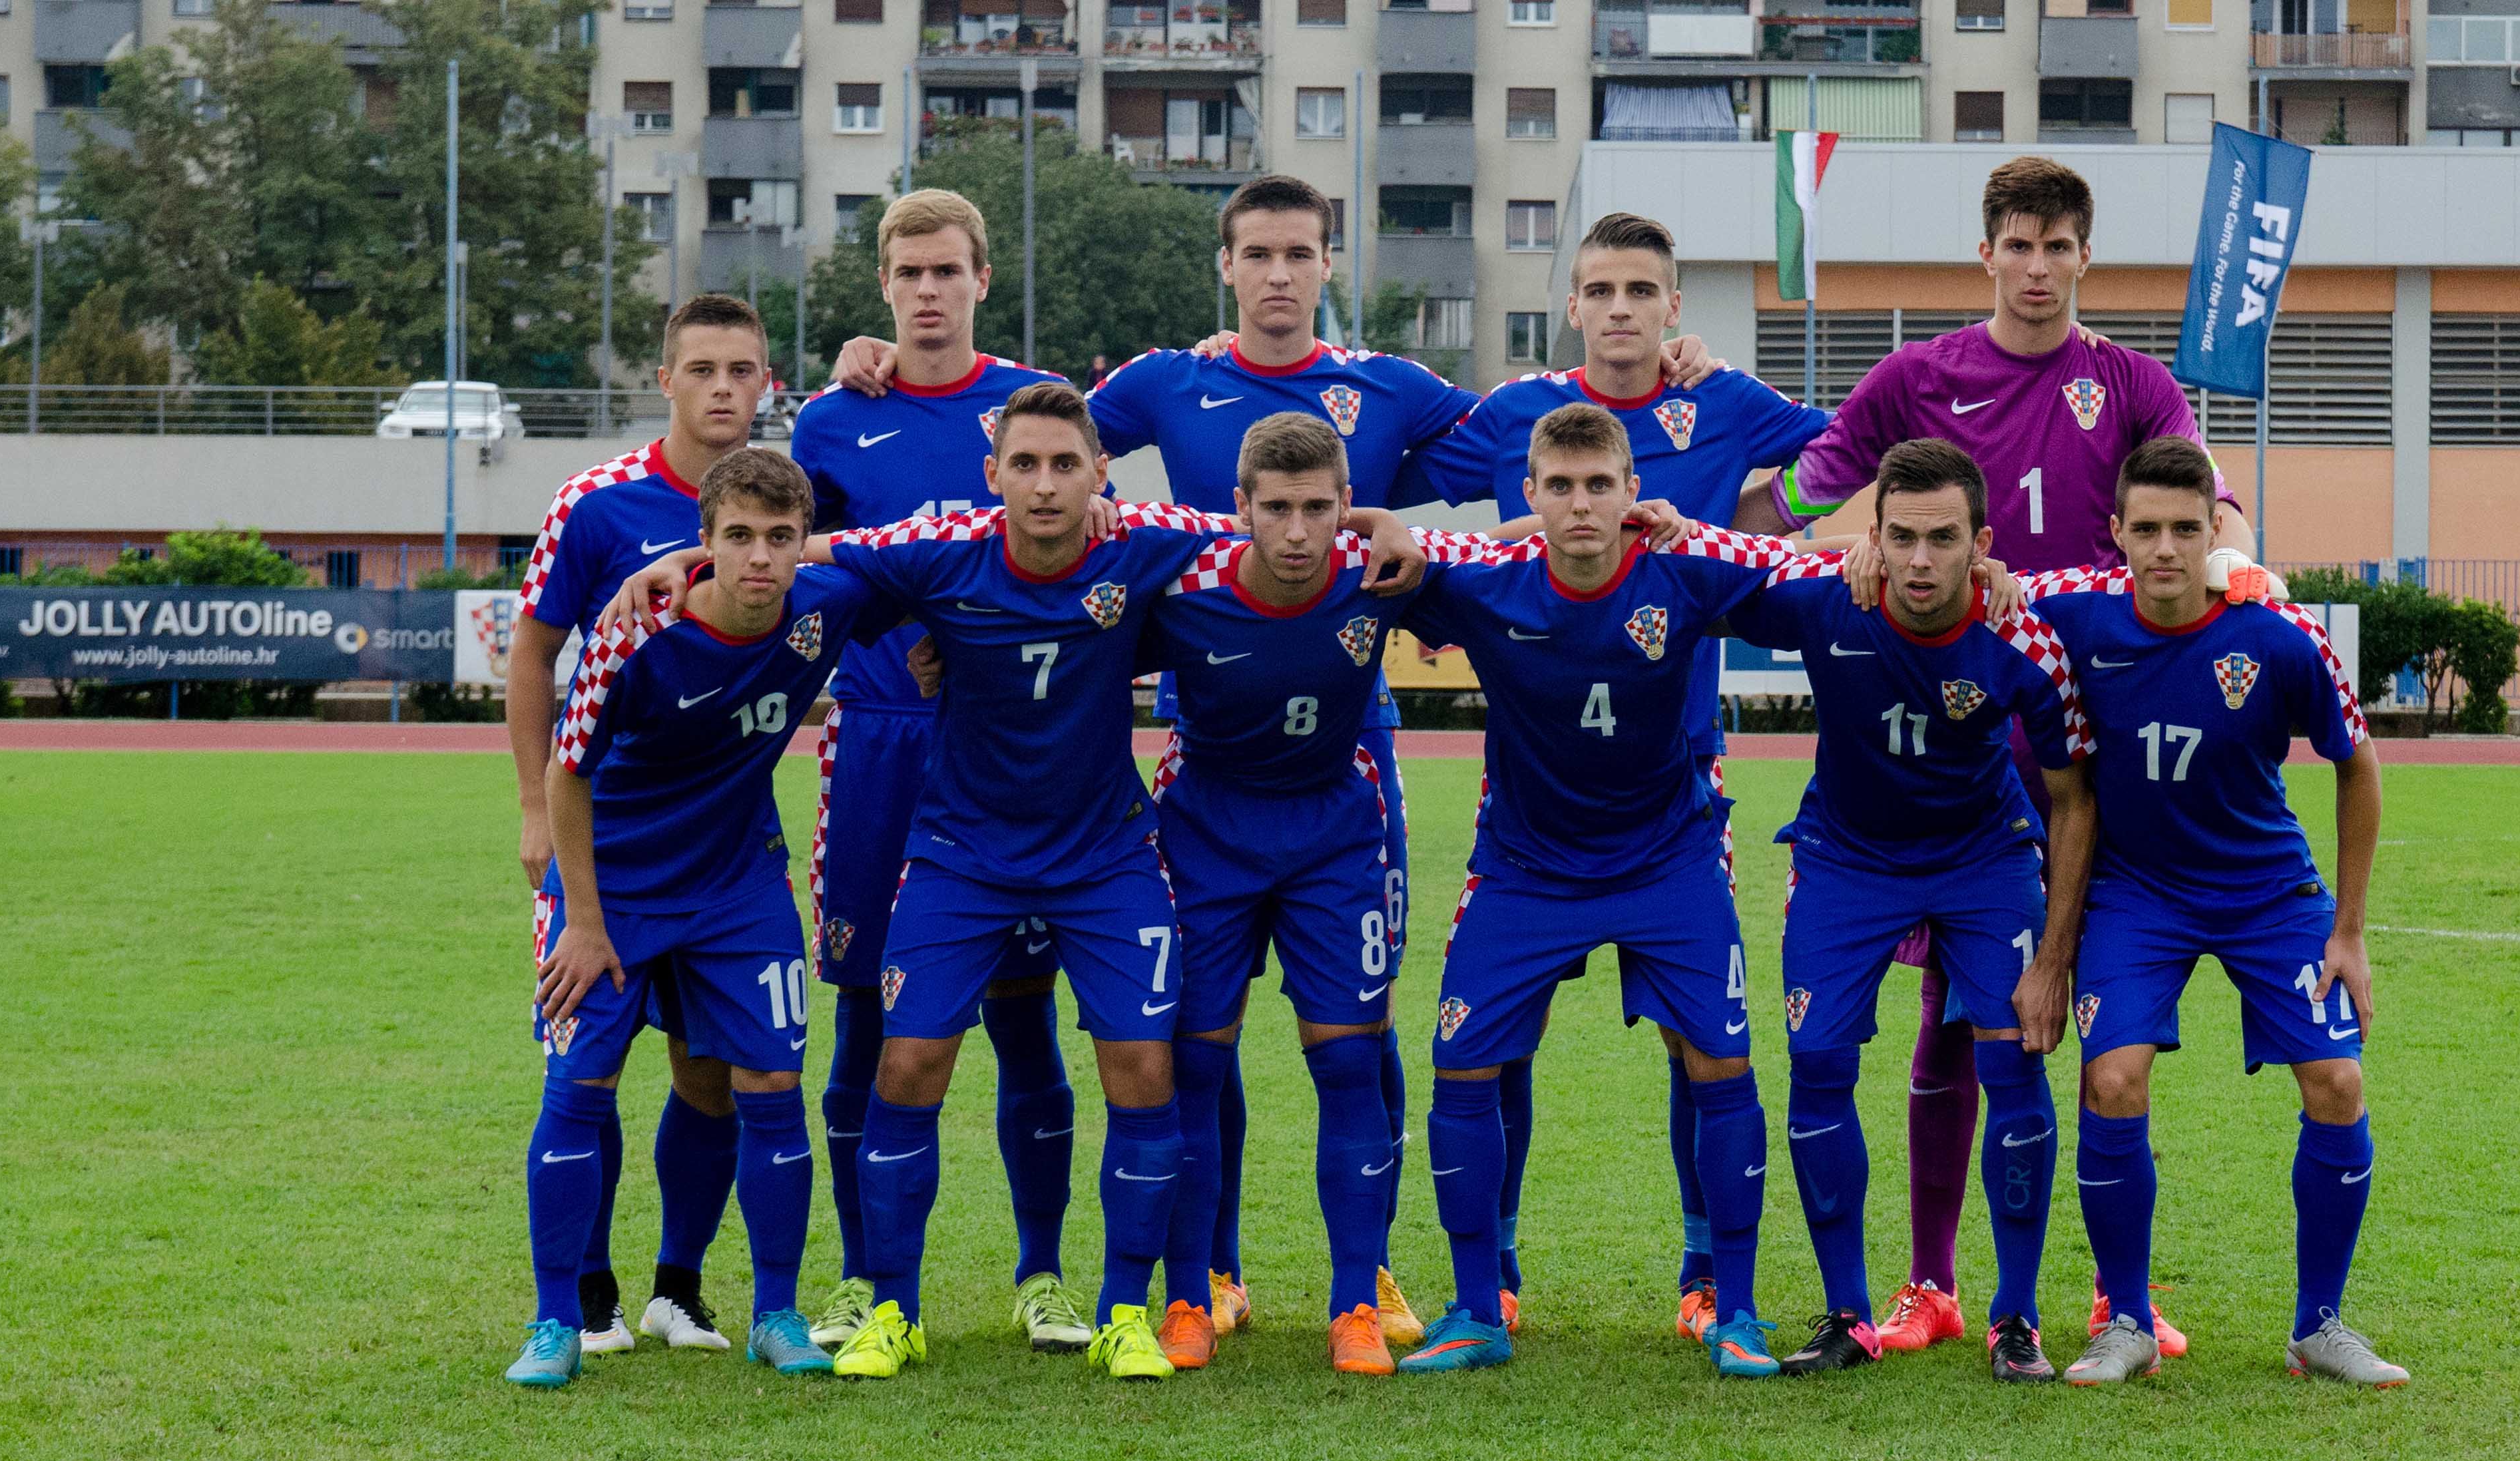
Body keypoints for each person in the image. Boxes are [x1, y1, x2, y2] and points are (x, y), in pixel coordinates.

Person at [830, 173, 1722, 1341]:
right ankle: (1212, 1274)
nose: (1279, 274)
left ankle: (1373, 1273)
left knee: (1360, 1024)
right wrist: (887, 362)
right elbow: (1046, 441)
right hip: (1206, 746)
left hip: (1353, 750)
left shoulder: (1392, 387)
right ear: (1228, 267)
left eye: (1300, 253)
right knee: (1195, 1036)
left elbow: (1544, 452)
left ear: (1327, 263)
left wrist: (1662, 367)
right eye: (1258, 254)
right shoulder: (1166, 382)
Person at [606, 383, 1423, 1381]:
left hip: (1105, 855)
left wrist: (1378, 521)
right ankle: (895, 1312)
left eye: (1065, 465)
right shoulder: (942, 546)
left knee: (1146, 1070)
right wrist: (687, 562)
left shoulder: (1148, 543)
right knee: (908, 1064)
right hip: (963, 853)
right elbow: (809, 552)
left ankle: (1127, 1312)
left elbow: (1269, 522)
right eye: (1025, 465)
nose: (1044, 485)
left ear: (1100, 476)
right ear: (991, 475)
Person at [1743, 156, 2260, 1358]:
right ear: (1985, 254)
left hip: (2091, 728)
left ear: (2086, 256)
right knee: (1953, 1015)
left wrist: (2242, 561)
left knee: (2100, 1010)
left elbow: (2209, 499)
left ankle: (2113, 1290)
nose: (2036, 267)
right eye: (2017, 245)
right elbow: (1793, 502)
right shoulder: (1917, 377)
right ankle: (1931, 1285)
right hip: (1958, 736)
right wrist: (1684, 517)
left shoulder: (2130, 384)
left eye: (2057, 246)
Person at [1396, 210, 1832, 1340]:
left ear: (1673, 306)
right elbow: (1384, 476)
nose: (1623, 308)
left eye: (1643, 289)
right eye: (1602, 289)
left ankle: (1714, 1284)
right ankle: (1486, 1286)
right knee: (1485, 1048)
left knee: (1709, 1050)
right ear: (1573, 305)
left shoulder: (1722, 408)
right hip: (1532, 816)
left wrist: (1758, 515)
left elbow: (1853, 461)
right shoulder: (1513, 417)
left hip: (1675, 794)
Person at [1139, 413, 1534, 1374]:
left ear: (1346, 505)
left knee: (1352, 1063)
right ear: (1240, 506)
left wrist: (1648, 521)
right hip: (1206, 837)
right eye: (1275, 509)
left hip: (1332, 839)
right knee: (1193, 1067)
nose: (1297, 531)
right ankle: (1191, 1297)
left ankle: (1355, 1301)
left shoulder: (1379, 567)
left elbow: (1512, 547)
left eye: (1319, 508)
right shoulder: (1184, 576)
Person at [508, 449, 893, 1387]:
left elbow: (930, 557)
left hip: (737, 887)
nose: (760, 557)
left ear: (805, 542)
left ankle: (776, 1313)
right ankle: (556, 1322)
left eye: (780, 537)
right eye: (738, 537)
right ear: (704, 541)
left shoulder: (830, 602)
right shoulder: (634, 633)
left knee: (771, 1083)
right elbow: (567, 773)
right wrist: (585, 923)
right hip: (614, 888)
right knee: (579, 1088)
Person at [783, 189, 1089, 1357]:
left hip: (1012, 752)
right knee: (866, 1017)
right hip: (879, 742)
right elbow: (806, 566)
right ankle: (865, 1278)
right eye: (907, 273)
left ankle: (1042, 1274)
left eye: (946, 270)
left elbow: (1088, 535)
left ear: (981, 280)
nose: (926, 290)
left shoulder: (1033, 406)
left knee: (1023, 1020)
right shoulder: (831, 419)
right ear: (884, 285)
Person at [2025, 437, 2399, 1387]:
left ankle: (2320, 1326)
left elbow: (2357, 764)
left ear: (2214, 534)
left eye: (2186, 530)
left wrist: (2350, 929)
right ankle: (2128, 1323)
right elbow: (1977, 585)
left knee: (2337, 1084)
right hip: (2137, 893)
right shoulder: (2073, 608)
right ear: (2116, 532)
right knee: (2112, 1079)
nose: (2166, 549)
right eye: (2146, 529)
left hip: (2266, 890)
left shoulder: (2279, 632)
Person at [1721, 438, 2095, 1383]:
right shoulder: (1828, 596)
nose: (1920, 561)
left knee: (2013, 1064)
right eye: (1901, 538)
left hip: (1983, 860)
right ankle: (1848, 1314)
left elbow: (2072, 798)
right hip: (1847, 859)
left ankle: (2016, 1319)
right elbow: (1714, 565)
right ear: (1874, 537)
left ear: (1983, 544)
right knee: (1816, 1063)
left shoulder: (2023, 635)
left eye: (1943, 539)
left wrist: (2054, 959)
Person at [503, 294, 773, 1356]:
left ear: (767, 384)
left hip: (724, 850)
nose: (722, 388)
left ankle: (679, 1288)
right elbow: (534, 654)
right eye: (701, 369)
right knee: (589, 1066)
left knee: (709, 1071)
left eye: (741, 370)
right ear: (665, 381)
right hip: (604, 845)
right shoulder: (597, 503)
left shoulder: (786, 499)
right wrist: (534, 804)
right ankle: (588, 1296)